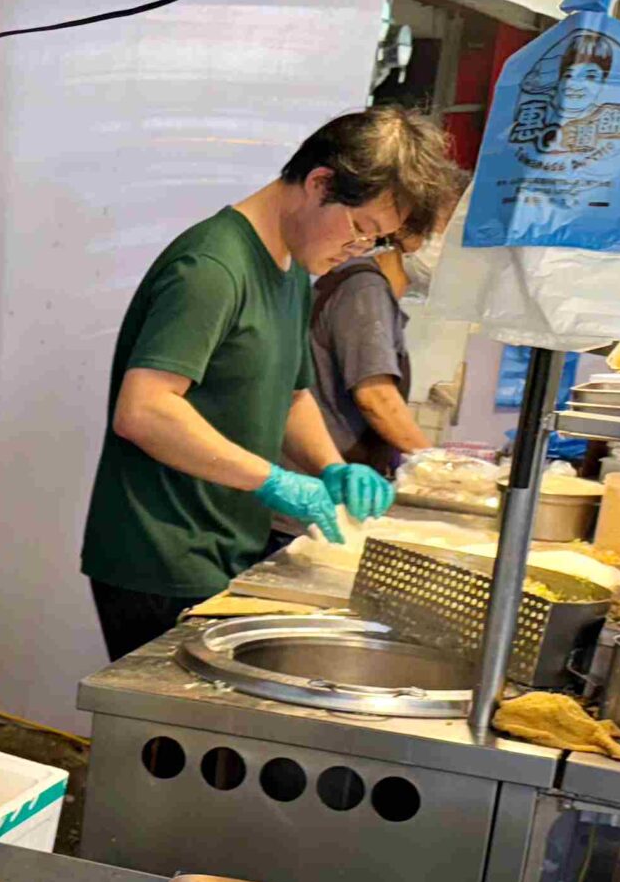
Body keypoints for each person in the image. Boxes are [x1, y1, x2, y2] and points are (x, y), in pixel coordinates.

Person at [80, 106, 463, 660]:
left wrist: (330, 468)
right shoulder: (213, 267)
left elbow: (292, 395)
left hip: (227, 542)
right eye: (361, 229)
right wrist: (273, 480)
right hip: (165, 551)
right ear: (320, 183)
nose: (360, 250)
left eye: (376, 241)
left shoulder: (290, 271)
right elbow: (145, 410)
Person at [307, 243, 430, 475]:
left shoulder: (358, 282)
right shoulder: (365, 288)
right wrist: (437, 466)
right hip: (329, 467)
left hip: (328, 463)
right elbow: (375, 397)